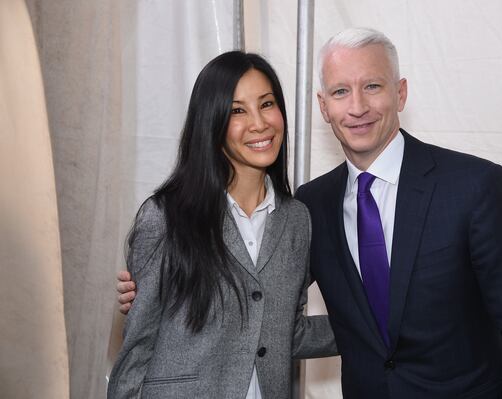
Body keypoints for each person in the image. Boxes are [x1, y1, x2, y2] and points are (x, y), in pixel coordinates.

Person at [119, 28, 502, 398]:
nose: (357, 107)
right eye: (340, 92)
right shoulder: (312, 205)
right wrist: (156, 288)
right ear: (322, 106)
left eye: (372, 86)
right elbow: (264, 304)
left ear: (401, 92)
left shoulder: (474, 186)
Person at [108, 51, 336, 399]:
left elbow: (282, 330)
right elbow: (136, 347)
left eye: (267, 104)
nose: (259, 123)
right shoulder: (166, 216)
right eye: (237, 110)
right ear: (211, 121)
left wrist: (378, 327)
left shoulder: (296, 221)